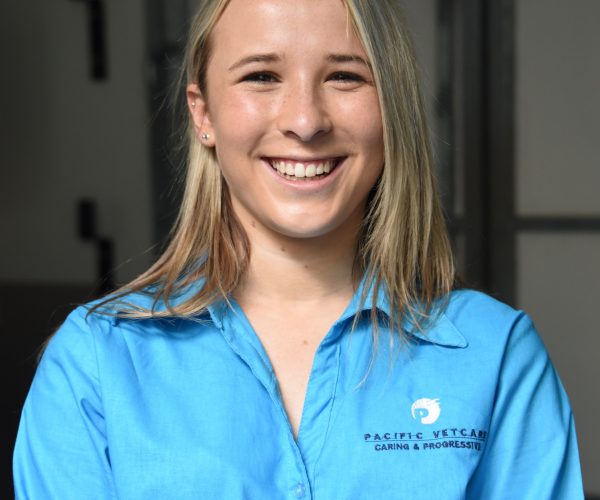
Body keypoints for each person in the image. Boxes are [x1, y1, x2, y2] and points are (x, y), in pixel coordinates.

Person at [13, 0, 584, 498]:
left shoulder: (499, 357)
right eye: (262, 76)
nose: (306, 122)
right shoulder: (95, 364)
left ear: (392, 106)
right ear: (203, 112)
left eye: (345, 77)